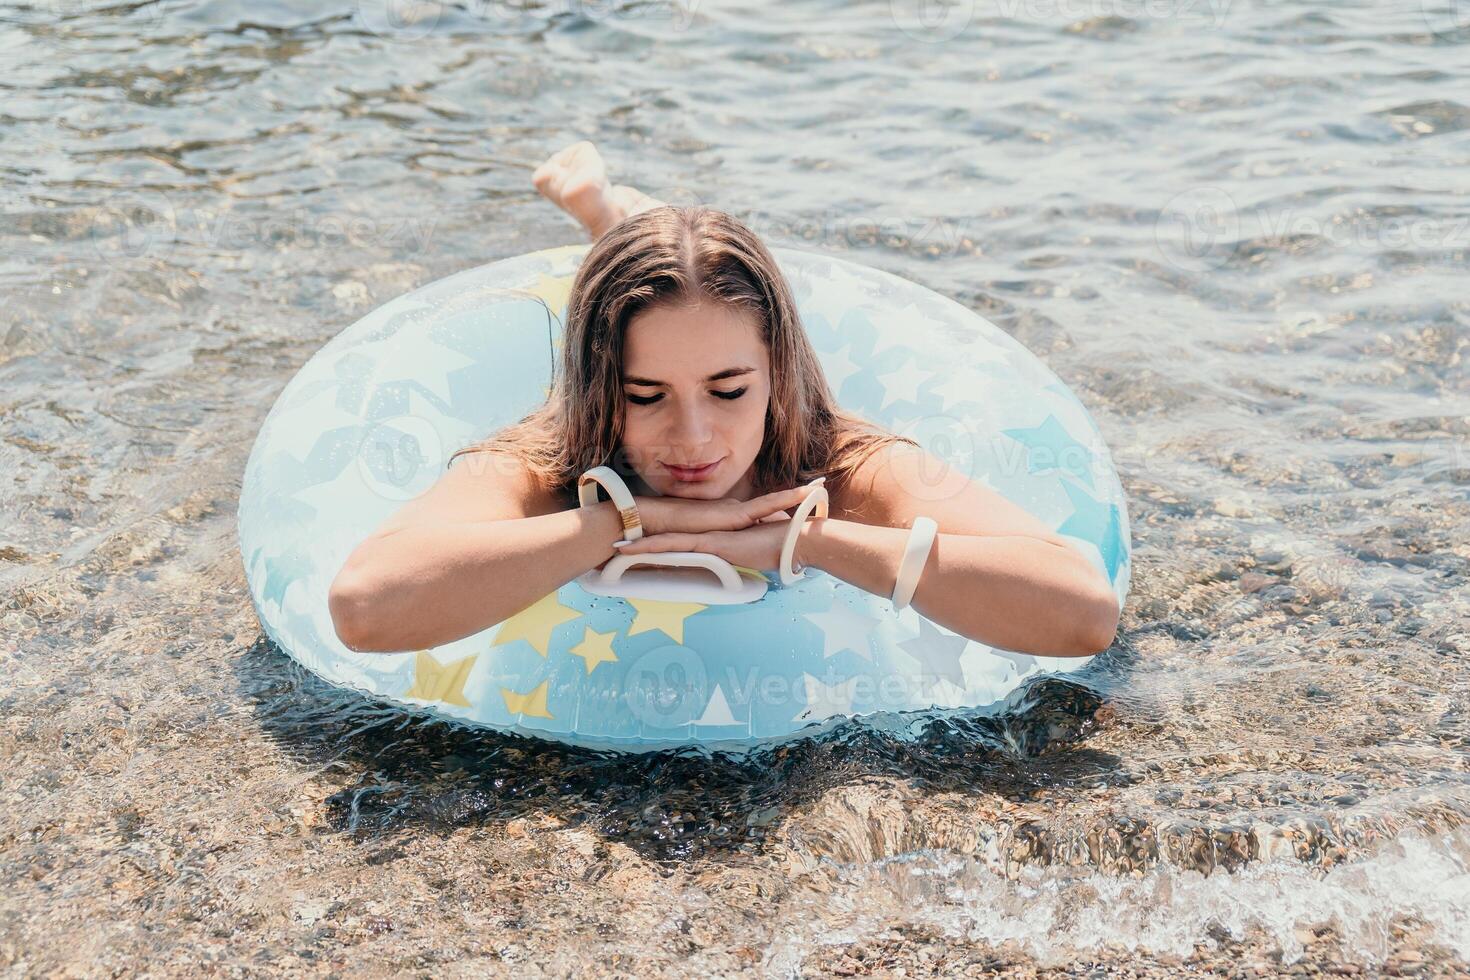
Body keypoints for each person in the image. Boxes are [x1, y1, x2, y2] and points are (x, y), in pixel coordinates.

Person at [327, 141, 1119, 658]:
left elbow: (1083, 611)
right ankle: (610, 220)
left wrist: (805, 542)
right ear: (604, 390)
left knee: (699, 294)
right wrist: (624, 520)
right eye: (644, 395)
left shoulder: (839, 460)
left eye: (730, 390)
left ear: (774, 373)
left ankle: (616, 214)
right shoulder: (549, 456)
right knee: (653, 282)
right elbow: (365, 607)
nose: (693, 435)